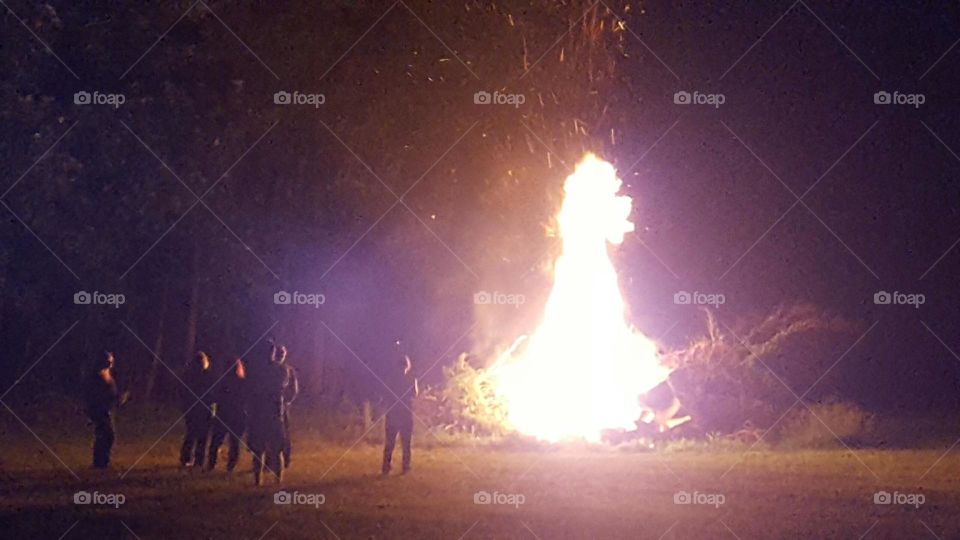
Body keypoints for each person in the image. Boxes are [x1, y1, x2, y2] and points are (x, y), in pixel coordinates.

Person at [247, 342, 288, 485]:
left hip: (260, 412)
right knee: (276, 449)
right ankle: (277, 480)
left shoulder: (257, 371)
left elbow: (251, 390)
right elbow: (283, 388)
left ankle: (259, 481)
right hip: (273, 413)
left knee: (259, 450)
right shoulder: (281, 370)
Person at [83, 352, 127, 469]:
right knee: (106, 434)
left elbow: (112, 392)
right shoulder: (97, 376)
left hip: (108, 408)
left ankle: (103, 461)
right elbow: (94, 394)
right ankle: (99, 462)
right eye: (108, 361)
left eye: (111, 361)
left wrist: (119, 398)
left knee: (106, 435)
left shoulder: (108, 374)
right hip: (99, 409)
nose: (110, 363)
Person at [206, 357, 247, 472]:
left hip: (222, 414)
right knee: (234, 442)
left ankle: (211, 464)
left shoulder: (221, 382)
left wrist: (213, 413)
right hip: (237, 415)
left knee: (216, 441)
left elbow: (214, 398)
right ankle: (231, 466)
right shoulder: (242, 383)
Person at [381, 351, 418, 476]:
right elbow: (415, 394)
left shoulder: (390, 379)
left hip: (392, 413)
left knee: (390, 442)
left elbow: (385, 394)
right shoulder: (411, 379)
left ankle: (386, 467)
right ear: (407, 366)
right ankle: (405, 466)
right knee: (406, 443)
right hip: (405, 414)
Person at [180, 351, 215, 470]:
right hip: (204, 409)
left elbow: (182, 392)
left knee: (191, 433)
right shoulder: (208, 376)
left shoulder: (188, 376)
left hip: (192, 408)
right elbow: (212, 393)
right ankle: (198, 460)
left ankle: (185, 458)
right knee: (202, 436)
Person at [278, 350, 299, 469]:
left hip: (283, 406)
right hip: (276, 405)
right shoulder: (276, 370)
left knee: (284, 433)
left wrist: (287, 401)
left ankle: (286, 458)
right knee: (279, 433)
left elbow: (294, 390)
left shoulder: (288, 370)